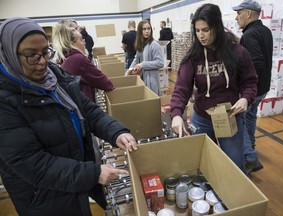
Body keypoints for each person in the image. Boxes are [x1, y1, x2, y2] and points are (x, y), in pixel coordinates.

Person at [0, 17, 137, 216]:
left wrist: (116, 132)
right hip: (46, 199)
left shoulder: (53, 76)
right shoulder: (5, 100)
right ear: (9, 54)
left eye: (45, 52)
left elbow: (88, 110)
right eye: (32, 56)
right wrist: (93, 174)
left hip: (74, 185)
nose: (42, 62)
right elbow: (34, 164)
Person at [170, 4, 258, 174]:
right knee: (203, 166)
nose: (201, 35)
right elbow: (182, 88)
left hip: (230, 116)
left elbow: (250, 82)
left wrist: (245, 98)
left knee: (233, 167)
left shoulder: (237, 52)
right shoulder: (193, 58)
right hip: (202, 119)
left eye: (206, 30)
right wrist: (176, 115)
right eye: (197, 31)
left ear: (217, 27)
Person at [232, 0, 273, 174]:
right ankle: (251, 145)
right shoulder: (264, 31)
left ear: (248, 14)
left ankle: (249, 158)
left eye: (239, 13)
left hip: (252, 89)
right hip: (263, 88)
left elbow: (256, 62)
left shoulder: (249, 36)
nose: (236, 17)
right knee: (250, 117)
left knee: (239, 120)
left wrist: (246, 88)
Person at [52, 21, 115, 103]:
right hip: (85, 104)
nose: (84, 42)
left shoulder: (66, 58)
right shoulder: (78, 59)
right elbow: (102, 81)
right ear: (72, 43)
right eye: (81, 40)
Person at [126, 20, 165, 96]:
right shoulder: (141, 44)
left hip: (152, 81)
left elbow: (160, 63)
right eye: (144, 29)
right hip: (142, 78)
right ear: (140, 31)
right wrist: (128, 72)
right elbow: (136, 59)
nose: (147, 31)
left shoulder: (154, 45)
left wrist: (143, 64)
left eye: (149, 28)